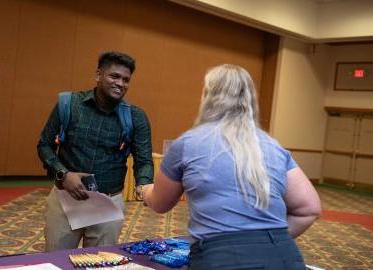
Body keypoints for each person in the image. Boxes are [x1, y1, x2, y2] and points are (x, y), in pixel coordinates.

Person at [142, 64, 321, 269]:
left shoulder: (188, 143)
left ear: (207, 97)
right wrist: (259, 242)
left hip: (221, 257)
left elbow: (160, 203)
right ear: (250, 100)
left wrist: (144, 190)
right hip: (283, 255)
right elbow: (309, 209)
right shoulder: (273, 146)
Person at [37, 51, 154, 251]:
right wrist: (63, 174)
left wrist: (143, 185)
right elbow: (44, 145)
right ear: (98, 75)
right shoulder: (69, 104)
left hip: (108, 206)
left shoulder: (136, 117)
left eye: (126, 80)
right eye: (114, 76)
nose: (121, 83)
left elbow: (143, 160)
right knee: (55, 261)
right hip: (66, 200)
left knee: (100, 264)